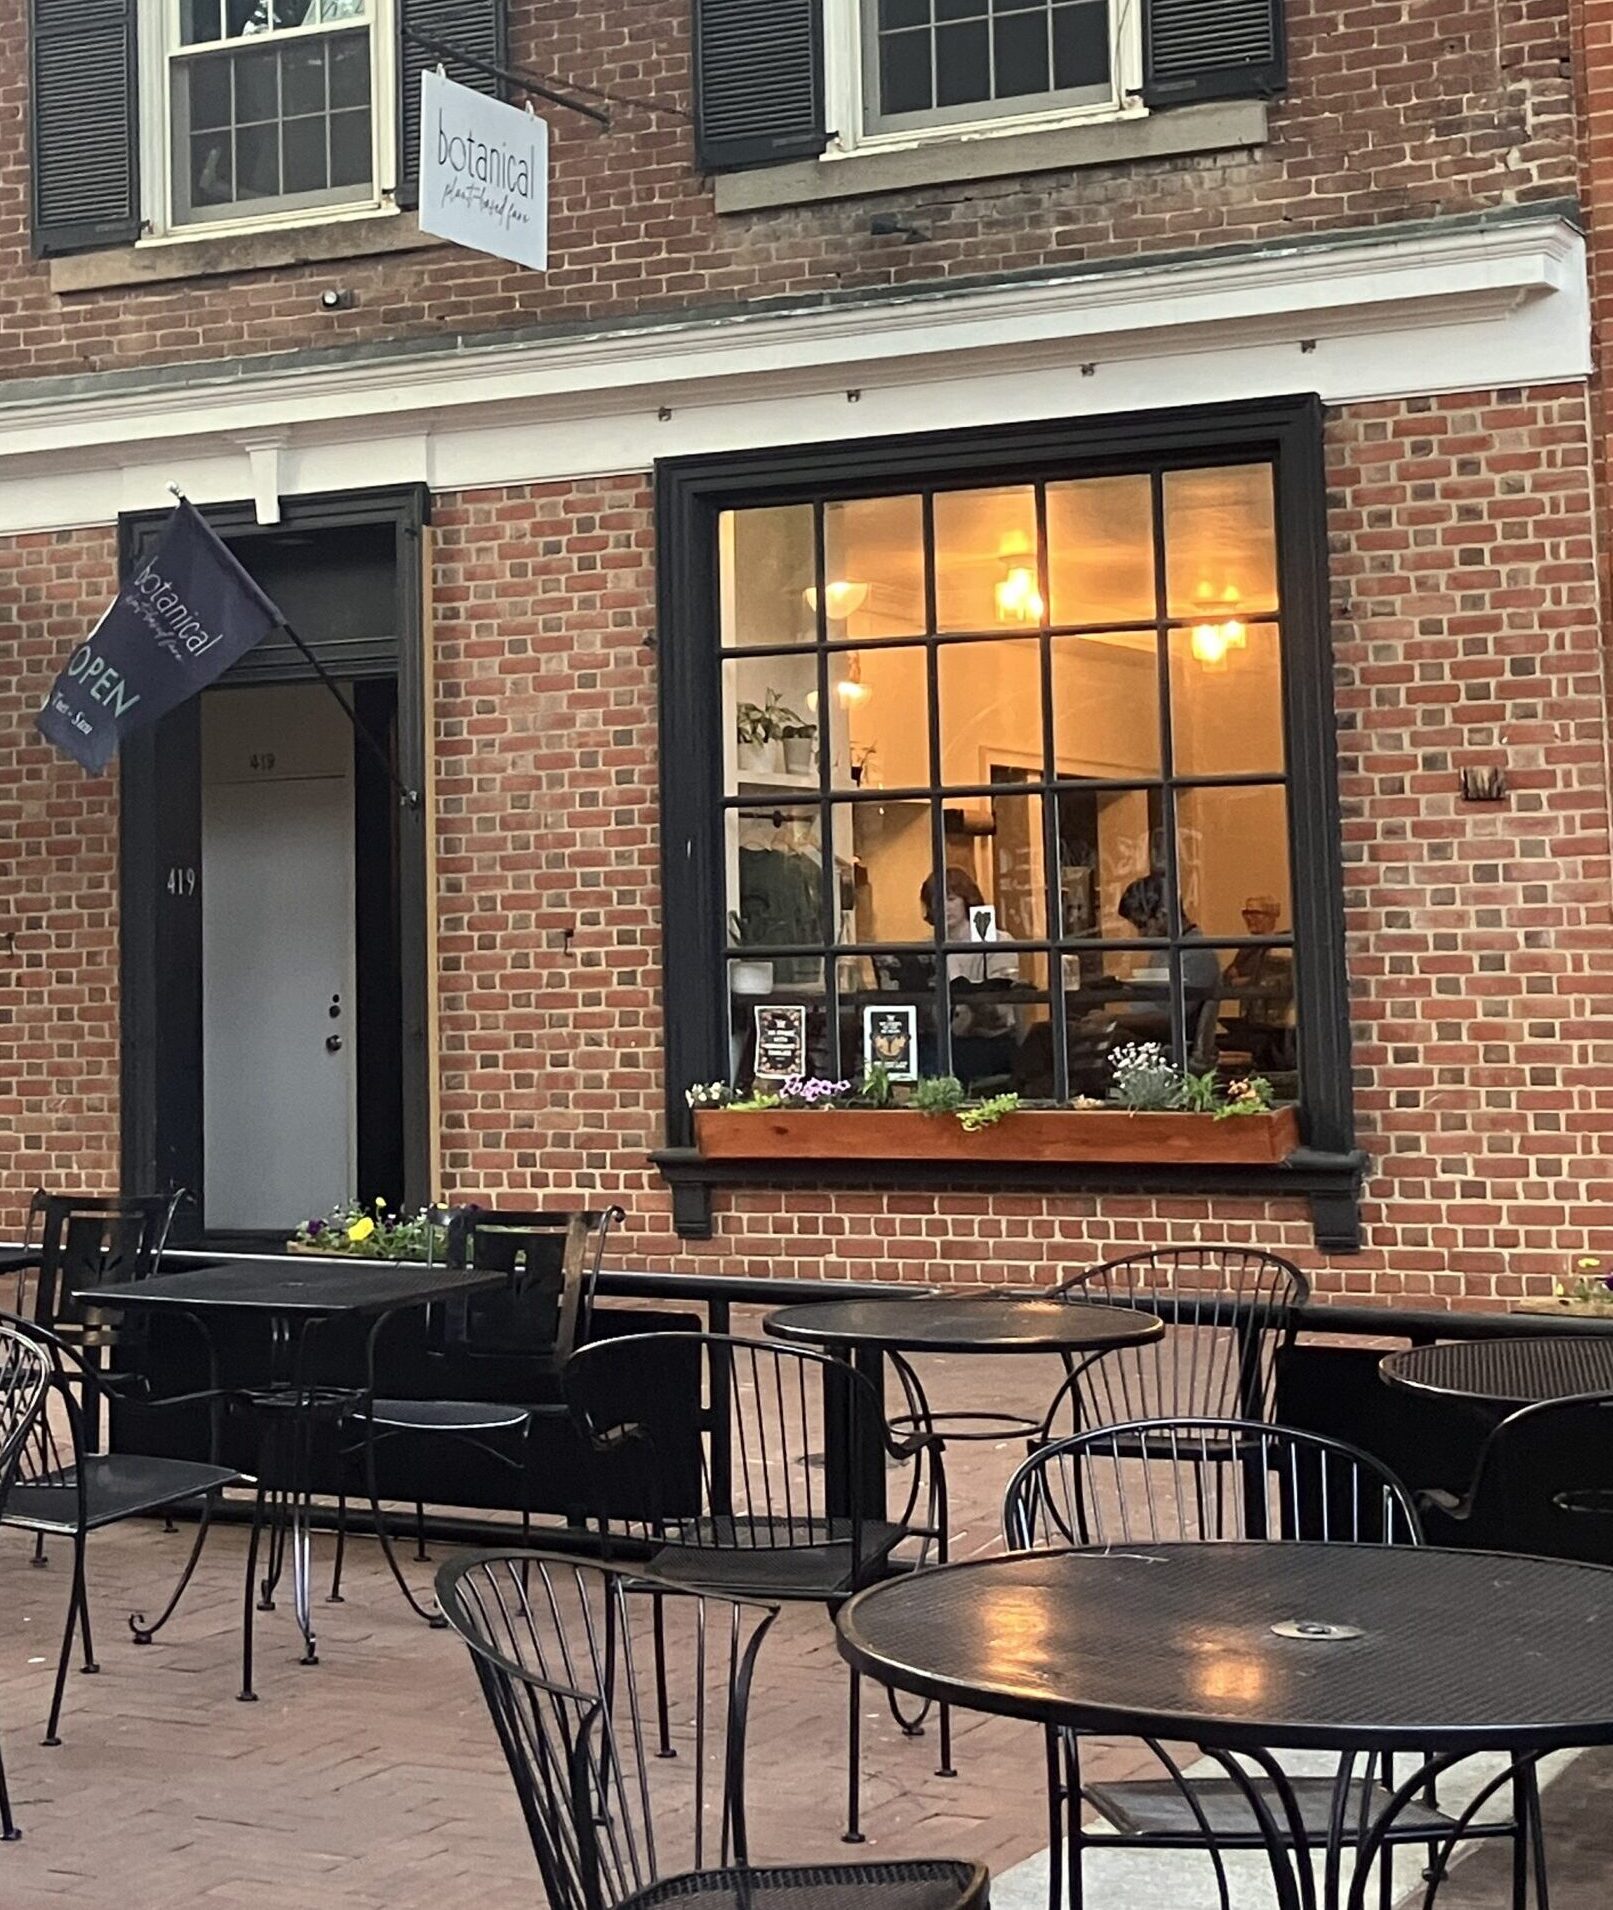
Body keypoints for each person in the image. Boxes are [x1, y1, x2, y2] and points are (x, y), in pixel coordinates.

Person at [918, 867, 1021, 1086]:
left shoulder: (997, 940)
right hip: (938, 1039)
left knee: (941, 1060)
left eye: (951, 899)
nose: (944, 907)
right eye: (937, 901)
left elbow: (1001, 1008)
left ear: (967, 900)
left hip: (988, 1041)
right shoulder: (925, 949)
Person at [1113, 875, 1224, 1065]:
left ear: (1164, 914)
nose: (1141, 934)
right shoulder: (1166, 951)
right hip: (1151, 1046)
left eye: (1143, 925)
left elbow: (1171, 1019)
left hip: (1173, 1052)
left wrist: (1113, 1019)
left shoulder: (1197, 954)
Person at [1219, 894, 1295, 1068]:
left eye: (1256, 913)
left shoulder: (1281, 947)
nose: (1250, 919)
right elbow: (1228, 978)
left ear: (1271, 915)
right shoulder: (1247, 948)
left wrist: (1246, 980)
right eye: (1246, 913)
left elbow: (1273, 982)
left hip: (1274, 1028)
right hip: (1249, 1021)